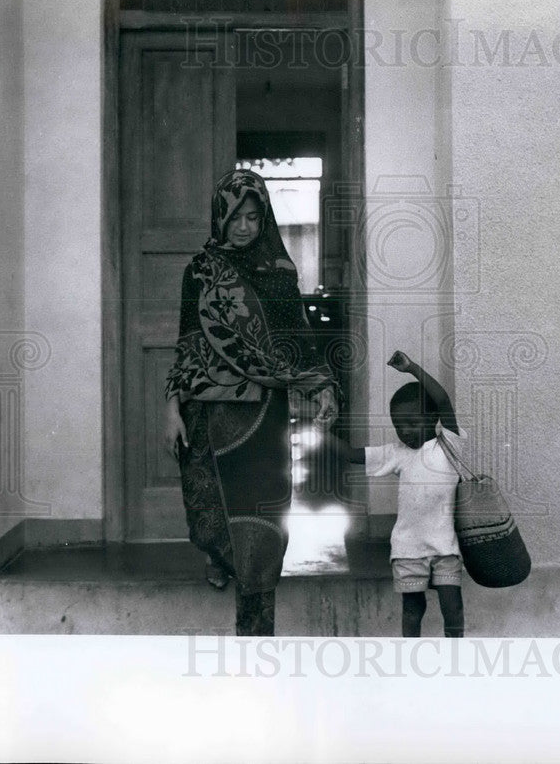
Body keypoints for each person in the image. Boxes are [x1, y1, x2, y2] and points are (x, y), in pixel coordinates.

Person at [162, 168, 339, 636]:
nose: (244, 227)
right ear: (220, 218)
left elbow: (297, 338)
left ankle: (256, 623)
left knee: (261, 512)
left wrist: (319, 384)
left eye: (253, 217)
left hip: (262, 409)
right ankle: (221, 558)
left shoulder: (279, 274)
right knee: (211, 506)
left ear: (265, 220)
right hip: (207, 406)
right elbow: (187, 344)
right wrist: (172, 407)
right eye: (235, 216)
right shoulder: (199, 272)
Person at [333, 350, 466, 638]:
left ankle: (459, 658)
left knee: (452, 608)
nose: (404, 431)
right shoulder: (397, 454)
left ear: (433, 418)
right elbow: (351, 455)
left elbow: (442, 399)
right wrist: (318, 431)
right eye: (398, 425)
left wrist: (412, 368)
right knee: (412, 609)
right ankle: (409, 658)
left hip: (445, 547)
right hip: (408, 550)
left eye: (412, 423)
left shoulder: (449, 444)